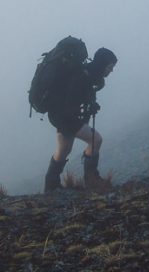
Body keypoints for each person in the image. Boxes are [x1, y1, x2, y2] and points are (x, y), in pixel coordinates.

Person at [44, 47, 117, 192]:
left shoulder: (89, 74)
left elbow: (77, 98)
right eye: (110, 67)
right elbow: (71, 102)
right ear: (103, 65)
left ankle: (51, 186)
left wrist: (89, 105)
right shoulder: (83, 76)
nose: (111, 71)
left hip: (59, 116)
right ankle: (91, 180)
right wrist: (88, 108)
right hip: (65, 117)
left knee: (64, 149)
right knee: (96, 140)